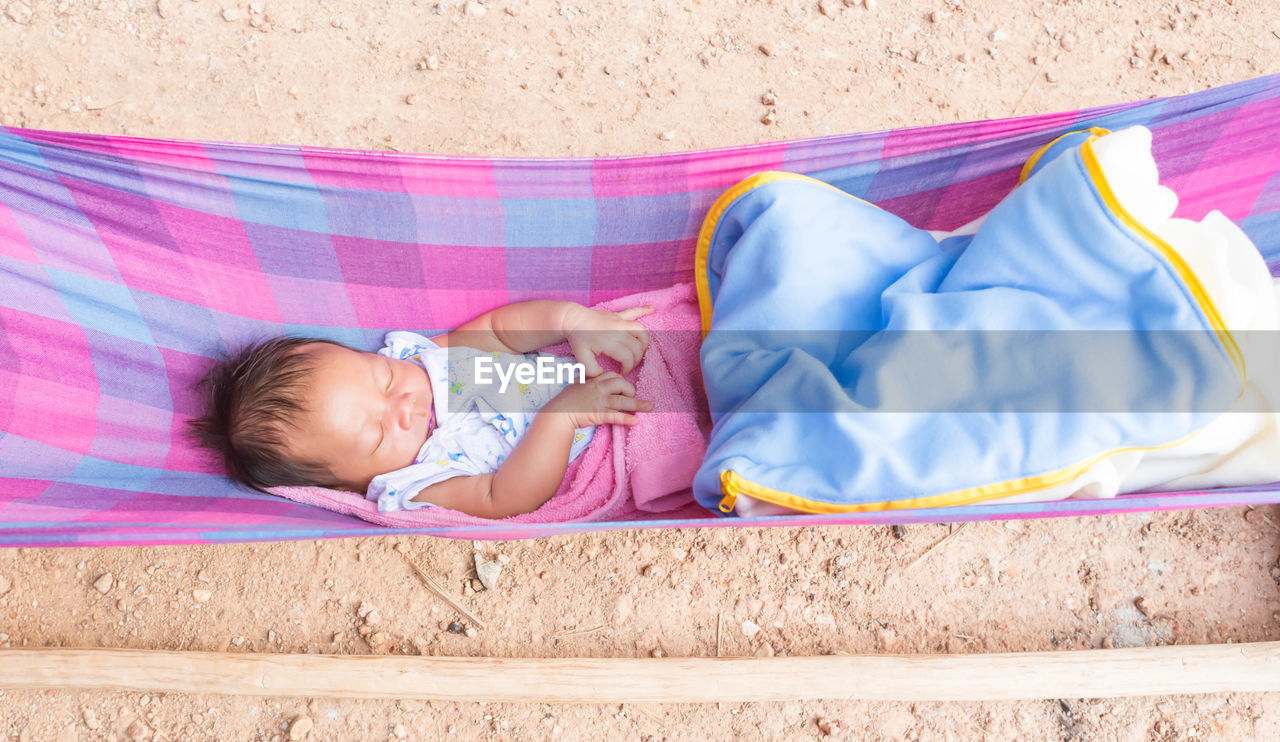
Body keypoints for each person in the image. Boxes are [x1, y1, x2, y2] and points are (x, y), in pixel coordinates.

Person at [190, 300, 654, 519]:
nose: (405, 405)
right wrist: (564, 417)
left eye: (383, 378)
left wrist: (571, 321)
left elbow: (497, 332)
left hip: (587, 368)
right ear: (349, 484)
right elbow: (506, 497)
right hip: (599, 449)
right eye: (378, 435)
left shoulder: (418, 359)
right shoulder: (415, 482)